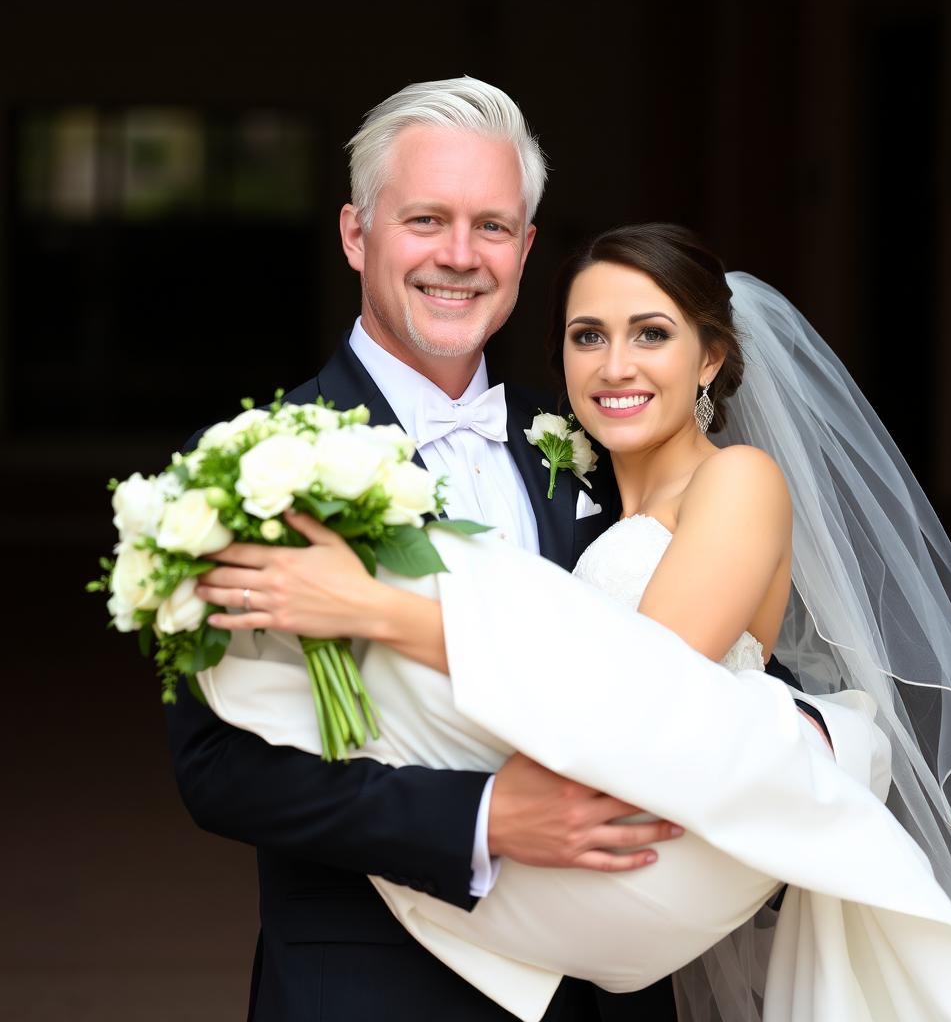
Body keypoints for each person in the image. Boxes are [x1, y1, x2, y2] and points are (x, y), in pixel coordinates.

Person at [196, 223, 951, 1021]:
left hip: (644, 853)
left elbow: (636, 687)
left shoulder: (739, 480)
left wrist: (373, 607)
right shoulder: (576, 487)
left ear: (712, 356)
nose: (614, 365)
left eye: (651, 334)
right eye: (587, 336)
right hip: (487, 896)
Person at [167, 77, 767, 1022]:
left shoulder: (595, 439)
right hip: (370, 983)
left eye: (492, 226)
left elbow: (713, 627)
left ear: (526, 250)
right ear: (357, 235)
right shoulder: (259, 466)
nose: (459, 256)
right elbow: (218, 768)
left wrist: (799, 740)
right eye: (426, 220)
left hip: (603, 989)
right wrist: (484, 821)